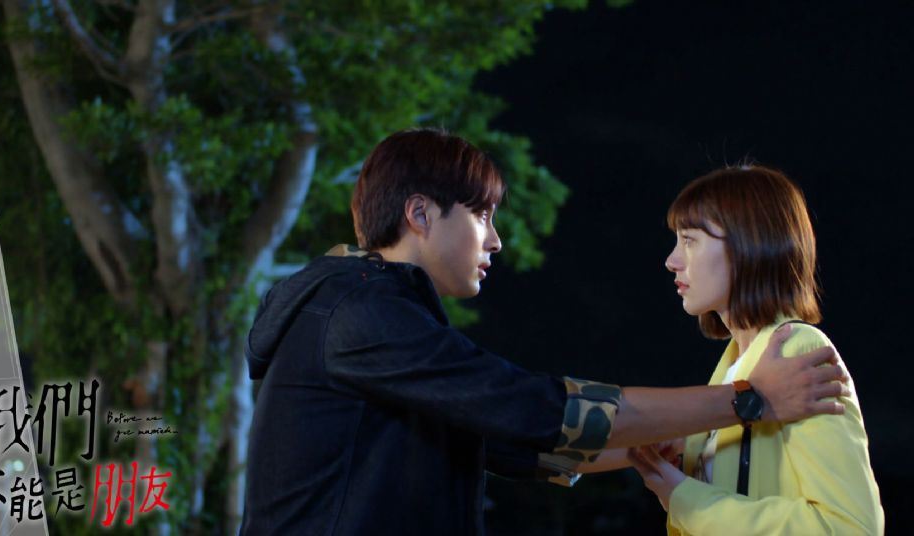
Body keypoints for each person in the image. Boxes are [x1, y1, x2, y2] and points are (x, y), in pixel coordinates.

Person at [239, 130, 848, 535]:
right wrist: (749, 400)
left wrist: (651, 447)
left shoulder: (365, 310)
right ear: (420, 214)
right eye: (481, 215)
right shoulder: (361, 312)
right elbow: (530, 409)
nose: (496, 239)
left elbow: (506, 442)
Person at [629, 165, 884, 535]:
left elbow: (851, 527)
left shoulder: (797, 352)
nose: (672, 261)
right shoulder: (734, 366)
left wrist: (685, 499)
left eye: (689, 240)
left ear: (746, 246)